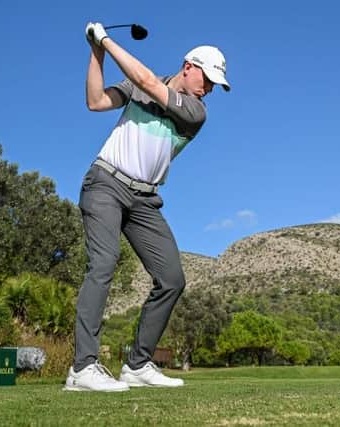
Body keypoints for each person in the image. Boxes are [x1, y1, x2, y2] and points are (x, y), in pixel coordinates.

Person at [64, 22, 231, 392]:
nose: (209, 90)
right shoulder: (141, 84)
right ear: (189, 66)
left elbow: (149, 83)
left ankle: (138, 365)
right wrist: (97, 52)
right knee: (102, 266)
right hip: (106, 183)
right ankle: (82, 368)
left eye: (215, 85)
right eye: (207, 79)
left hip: (144, 200)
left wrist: (106, 38)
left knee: (172, 279)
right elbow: (96, 102)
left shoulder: (195, 112)